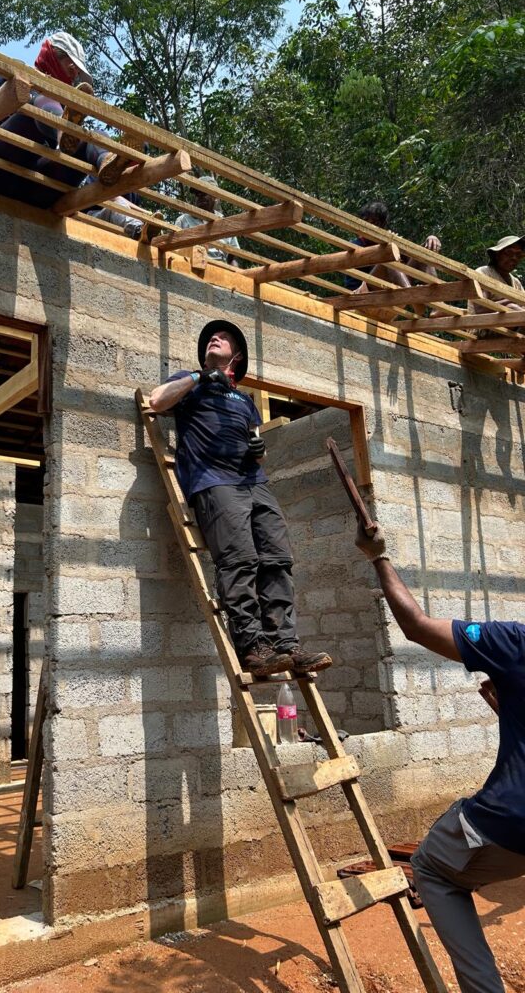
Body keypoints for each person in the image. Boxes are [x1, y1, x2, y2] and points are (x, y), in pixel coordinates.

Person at [354, 521, 525, 993]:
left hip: (506, 821)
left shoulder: (515, 643)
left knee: (431, 868)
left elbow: (416, 627)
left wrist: (378, 556)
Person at [148, 320, 332, 677]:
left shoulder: (245, 402)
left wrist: (258, 449)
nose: (215, 338)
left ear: (238, 356)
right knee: (241, 561)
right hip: (214, 482)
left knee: (277, 559)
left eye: (223, 337)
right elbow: (156, 401)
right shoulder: (189, 382)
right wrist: (202, 378)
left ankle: (285, 646)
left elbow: (255, 446)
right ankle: (252, 648)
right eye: (210, 338)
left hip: (254, 481)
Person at [0, 32, 137, 208]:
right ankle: (63, 131)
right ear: (53, 55)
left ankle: (107, 162)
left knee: (94, 136)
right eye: (71, 67)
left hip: (36, 186)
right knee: (40, 101)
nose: (74, 76)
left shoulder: (64, 108)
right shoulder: (17, 72)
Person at [345, 201, 442, 320]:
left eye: (375, 223)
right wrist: (389, 246)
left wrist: (429, 240)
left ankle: (439, 306)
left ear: (382, 226)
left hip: (388, 301)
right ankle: (413, 298)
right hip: (361, 300)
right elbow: (376, 270)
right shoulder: (356, 244)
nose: (370, 226)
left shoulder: (386, 244)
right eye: (366, 222)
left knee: (423, 254)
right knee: (389, 258)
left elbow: (411, 262)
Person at [174, 177, 240, 266]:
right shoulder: (183, 220)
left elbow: (232, 257)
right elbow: (174, 249)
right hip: (190, 267)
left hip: (220, 271)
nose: (200, 196)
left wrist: (235, 275)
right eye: (197, 194)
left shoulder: (225, 223)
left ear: (215, 196)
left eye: (204, 193)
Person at [467, 235, 525, 316]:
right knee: (511, 307)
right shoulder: (483, 273)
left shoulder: (516, 282)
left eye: (518, 255)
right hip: (484, 326)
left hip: (515, 326)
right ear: (497, 255)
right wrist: (511, 301)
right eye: (509, 253)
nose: (514, 258)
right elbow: (480, 309)